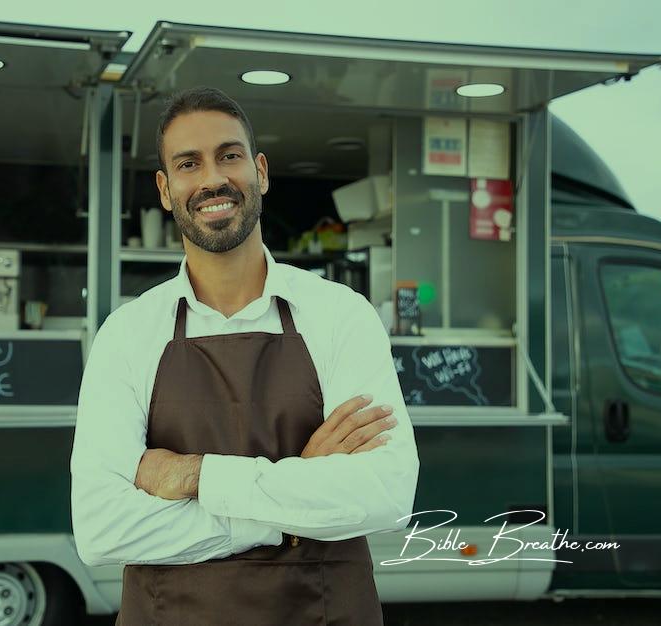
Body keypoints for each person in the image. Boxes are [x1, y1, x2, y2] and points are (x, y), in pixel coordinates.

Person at [70, 86, 419, 625]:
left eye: (228, 156)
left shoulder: (340, 315)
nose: (212, 179)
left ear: (259, 171)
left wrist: (195, 476)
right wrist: (292, 505)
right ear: (165, 190)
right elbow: (101, 528)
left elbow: (386, 495)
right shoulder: (128, 334)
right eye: (189, 164)